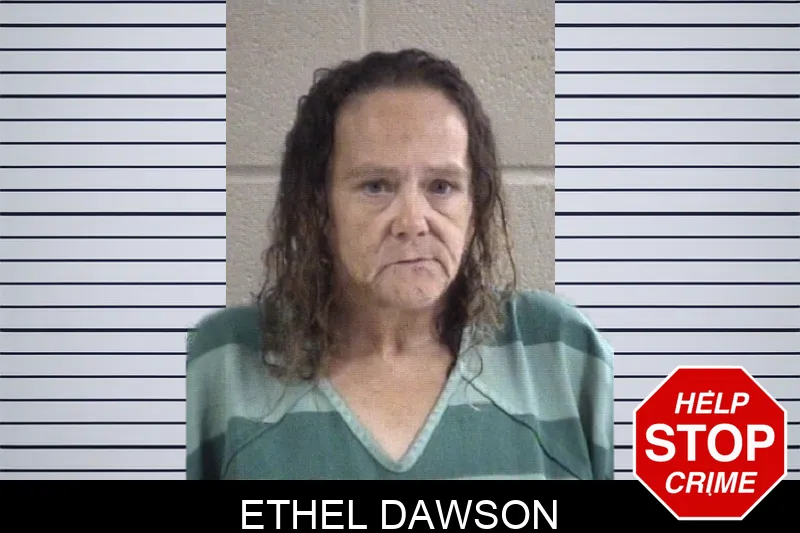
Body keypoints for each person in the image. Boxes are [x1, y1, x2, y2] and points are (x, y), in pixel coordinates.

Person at [186, 48, 614, 480]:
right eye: (376, 186)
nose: (412, 222)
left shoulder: (559, 353)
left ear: (474, 209)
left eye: (441, 186)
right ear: (318, 208)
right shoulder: (220, 367)